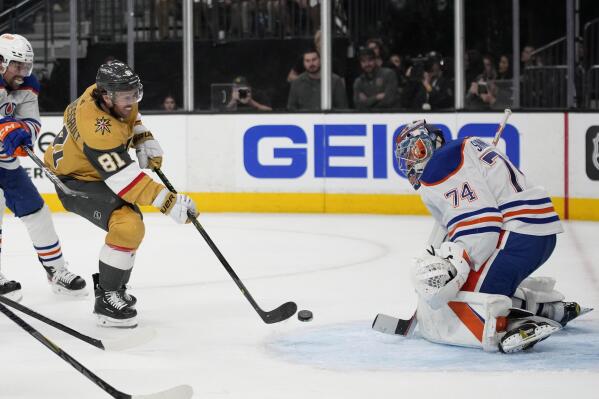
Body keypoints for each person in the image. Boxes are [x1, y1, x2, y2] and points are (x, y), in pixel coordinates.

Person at [394, 120, 589, 353]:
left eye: (416, 151)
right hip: (533, 233)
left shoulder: (441, 164)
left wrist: (457, 266)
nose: (411, 162)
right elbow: (459, 221)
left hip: (517, 236)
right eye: (406, 156)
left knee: (459, 298)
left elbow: (482, 227)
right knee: (468, 286)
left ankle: (513, 326)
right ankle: (550, 310)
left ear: (433, 143)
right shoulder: (458, 151)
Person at [43, 60, 198, 328]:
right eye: (127, 97)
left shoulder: (111, 92)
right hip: (74, 181)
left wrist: (142, 138)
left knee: (131, 225)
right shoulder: (96, 129)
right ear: (106, 97)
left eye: (135, 94)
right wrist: (169, 203)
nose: (132, 100)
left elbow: (132, 116)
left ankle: (114, 288)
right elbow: (127, 182)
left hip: (93, 172)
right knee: (127, 224)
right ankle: (107, 298)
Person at [0, 33, 87, 301]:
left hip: (5, 161)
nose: (23, 72)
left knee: (37, 211)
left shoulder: (28, 84)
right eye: (17, 65)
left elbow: (31, 122)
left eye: (27, 66)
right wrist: (4, 126)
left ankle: (56, 271)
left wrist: (22, 131)